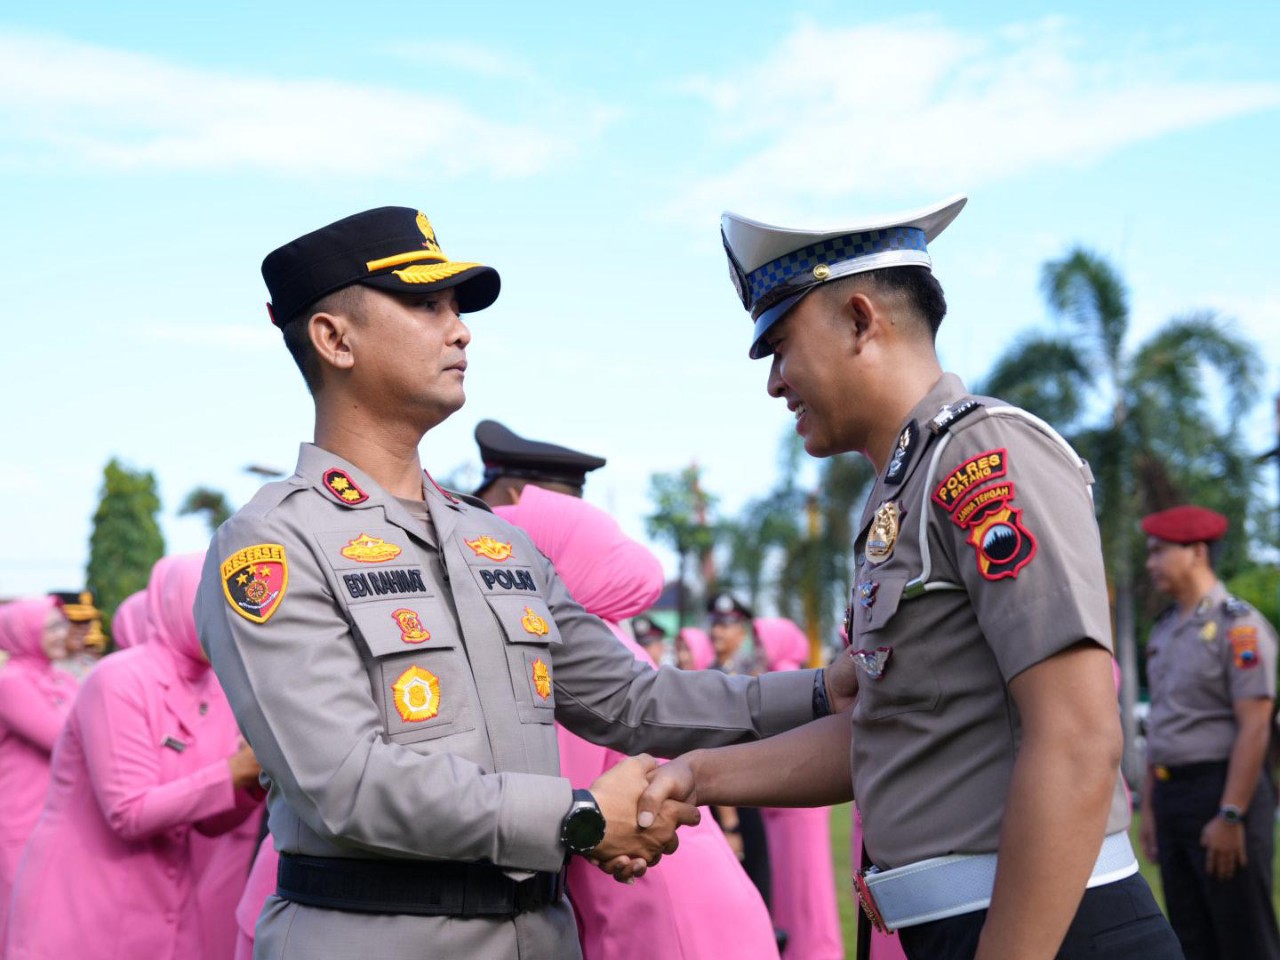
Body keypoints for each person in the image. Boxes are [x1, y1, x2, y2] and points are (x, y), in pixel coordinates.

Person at [195, 206, 854, 960]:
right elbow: (343, 783)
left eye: (457, 308)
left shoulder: (493, 539)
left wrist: (818, 693)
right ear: (333, 338)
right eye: (424, 304)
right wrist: (577, 815)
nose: (460, 330)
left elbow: (626, 698)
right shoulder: (273, 543)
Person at [641, 195, 1183, 960]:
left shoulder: (982, 459)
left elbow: (1078, 737)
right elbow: (887, 733)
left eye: (781, 345)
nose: (774, 382)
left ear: (862, 319)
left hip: (1050, 929)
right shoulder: (907, 488)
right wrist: (698, 774)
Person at [495, 483, 780, 960]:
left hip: (659, 915)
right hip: (685, 906)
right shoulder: (610, 639)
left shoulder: (563, 657)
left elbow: (558, 806)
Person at [6, 553, 263, 960]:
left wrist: (250, 782)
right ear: (181, 605)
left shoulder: (217, 688)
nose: (235, 621)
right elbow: (128, 810)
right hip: (85, 903)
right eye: (218, 605)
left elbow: (207, 821)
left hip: (166, 903)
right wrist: (233, 772)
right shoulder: (119, 679)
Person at [1138, 504, 1280, 959]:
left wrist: (1232, 814)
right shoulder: (1164, 631)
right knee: (1189, 937)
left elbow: (1256, 724)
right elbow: (1159, 722)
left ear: (1197, 553)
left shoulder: (1239, 627)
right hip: (1173, 796)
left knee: (1243, 938)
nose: (1150, 563)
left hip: (1221, 792)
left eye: (1159, 551)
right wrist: (1154, 807)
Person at [754, 617, 843, 960]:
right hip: (784, 807)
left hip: (796, 808)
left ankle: (814, 951)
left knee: (806, 888)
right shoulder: (782, 674)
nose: (759, 649)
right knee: (793, 888)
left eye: (763, 642)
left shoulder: (787, 676)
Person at [0, 597, 77, 947]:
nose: (64, 633)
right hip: (21, 821)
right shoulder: (10, 682)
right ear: (24, 632)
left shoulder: (63, 679)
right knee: (23, 921)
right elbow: (62, 738)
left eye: (62, 624)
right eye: (52, 626)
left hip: (59, 820)